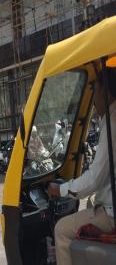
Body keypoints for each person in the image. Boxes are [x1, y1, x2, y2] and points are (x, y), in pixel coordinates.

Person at [48, 68, 116, 265]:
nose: (94, 99)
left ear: (107, 91)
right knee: (88, 206)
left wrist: (60, 189)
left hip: (111, 213)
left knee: (61, 229)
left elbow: (95, 178)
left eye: (95, 90)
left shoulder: (111, 123)